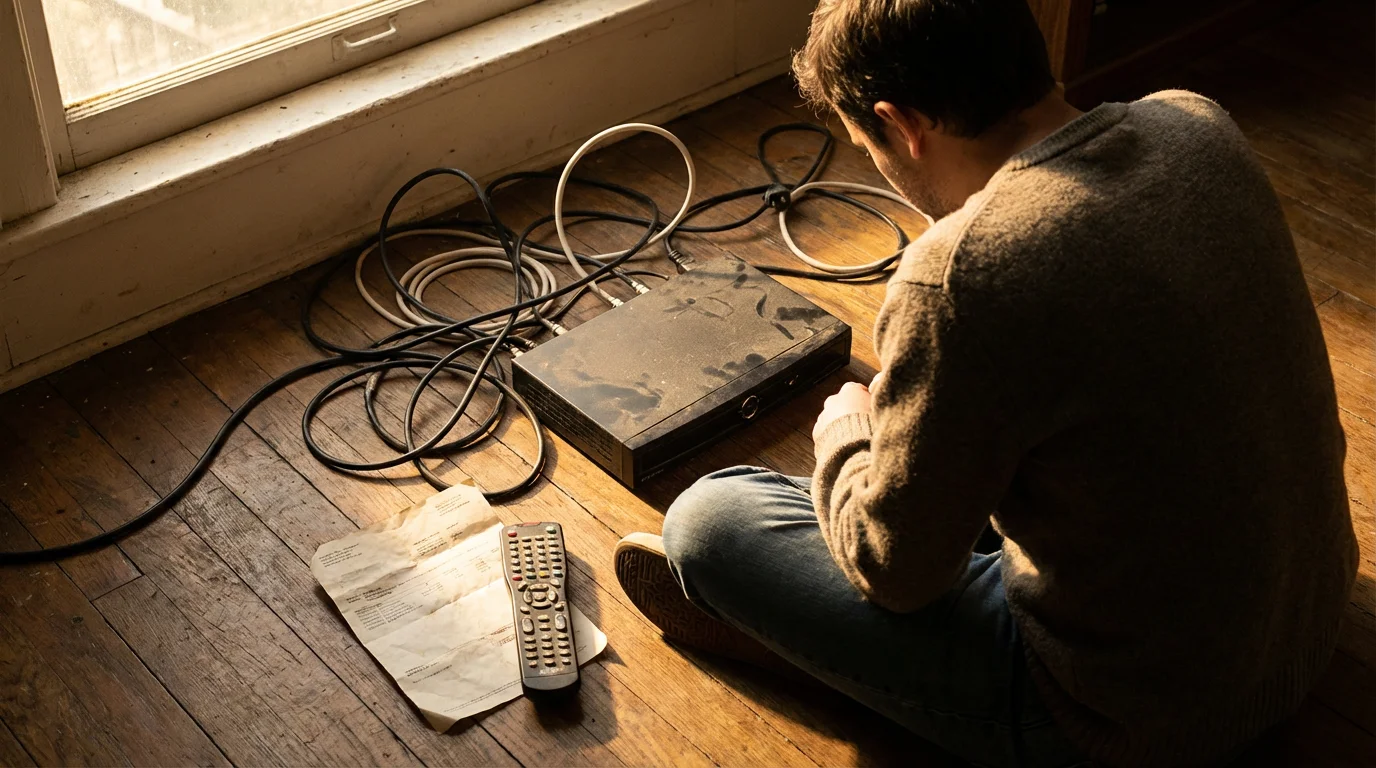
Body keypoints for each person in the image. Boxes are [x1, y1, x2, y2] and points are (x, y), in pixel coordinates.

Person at [610, 0, 1359, 765]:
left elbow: (891, 570)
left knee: (711, 519)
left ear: (900, 125)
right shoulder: (1194, 123)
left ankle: (845, 667)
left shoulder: (962, 276)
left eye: (868, 145)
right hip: (1305, 620)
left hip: (1130, 717)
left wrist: (846, 432)